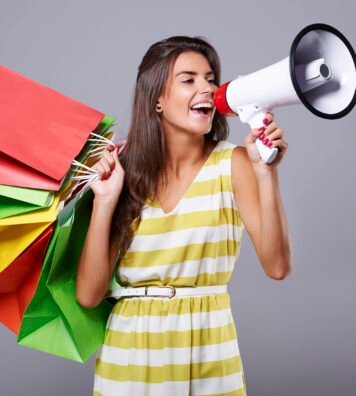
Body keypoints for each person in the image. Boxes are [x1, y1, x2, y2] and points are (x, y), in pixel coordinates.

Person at [76, 35, 292, 396]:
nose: (206, 88)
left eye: (210, 78)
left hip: (209, 352)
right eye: (188, 79)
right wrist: (105, 199)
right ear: (157, 100)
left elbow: (277, 267)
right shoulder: (123, 172)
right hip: (129, 360)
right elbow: (88, 294)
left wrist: (266, 173)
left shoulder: (234, 164)